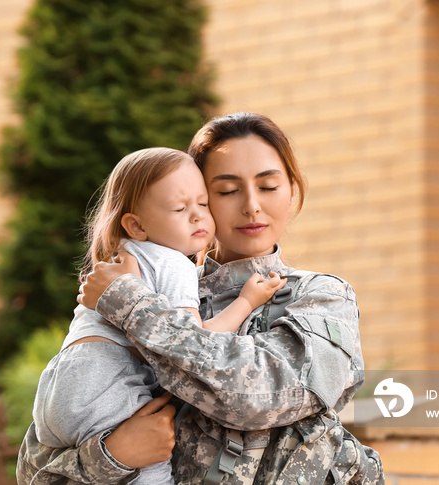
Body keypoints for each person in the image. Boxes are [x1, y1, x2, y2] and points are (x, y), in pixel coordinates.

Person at [17, 112, 384, 484]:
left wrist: (131, 305)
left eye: (269, 186)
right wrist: (114, 455)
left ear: (292, 190)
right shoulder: (145, 285)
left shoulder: (321, 298)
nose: (251, 206)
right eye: (226, 191)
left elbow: (261, 397)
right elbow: (39, 462)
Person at [23, 147, 287, 485]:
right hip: (106, 383)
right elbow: (192, 345)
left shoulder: (125, 256)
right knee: (151, 466)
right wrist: (247, 301)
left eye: (203, 204)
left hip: (58, 386)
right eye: (180, 208)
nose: (197, 217)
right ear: (136, 225)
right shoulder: (173, 262)